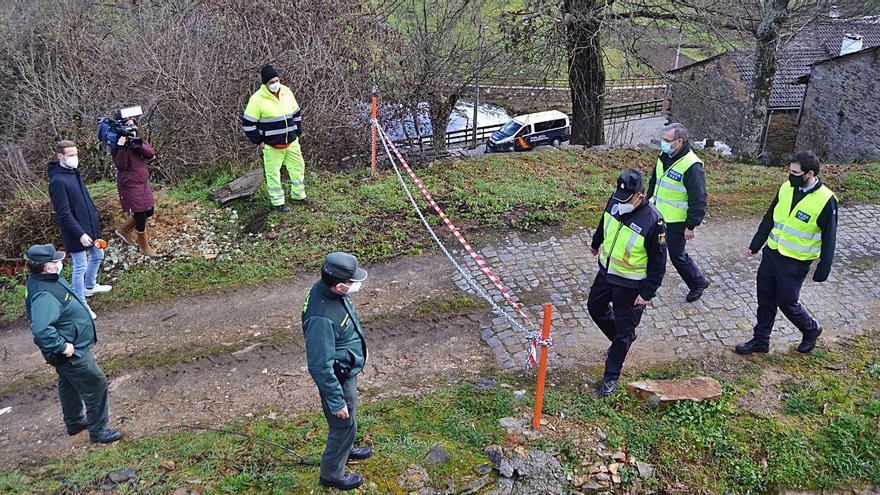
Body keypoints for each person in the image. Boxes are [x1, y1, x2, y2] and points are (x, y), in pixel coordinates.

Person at [736, 152, 837, 355]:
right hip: (772, 254)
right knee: (765, 299)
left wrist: (823, 267)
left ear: (809, 174)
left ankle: (810, 329)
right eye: (789, 171)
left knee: (786, 301)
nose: (790, 175)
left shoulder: (826, 200)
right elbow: (770, 217)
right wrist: (756, 243)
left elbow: (829, 238)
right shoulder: (786, 187)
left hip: (795, 262)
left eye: (795, 173)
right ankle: (761, 340)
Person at [24, 244, 123, 444]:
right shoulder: (44, 294)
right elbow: (41, 330)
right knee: (96, 384)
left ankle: (75, 422)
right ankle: (99, 431)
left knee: (68, 382)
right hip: (72, 351)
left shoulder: (45, 279)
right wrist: (62, 347)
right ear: (47, 267)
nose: (60, 262)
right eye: (56, 261)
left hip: (70, 349)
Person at [588, 170, 667, 396]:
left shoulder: (654, 221)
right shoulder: (615, 201)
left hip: (631, 285)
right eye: (619, 197)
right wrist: (596, 243)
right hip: (607, 273)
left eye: (626, 199)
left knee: (624, 331)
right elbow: (604, 223)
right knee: (594, 306)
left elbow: (659, 262)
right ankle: (621, 341)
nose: (620, 202)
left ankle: (610, 376)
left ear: (639, 197)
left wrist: (647, 293)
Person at [302, 252, 372, 490]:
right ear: (340, 286)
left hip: (345, 368)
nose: (357, 285)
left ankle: (347, 448)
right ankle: (332, 474)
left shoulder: (329, 290)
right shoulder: (321, 319)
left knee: (349, 419)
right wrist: (335, 401)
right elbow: (319, 366)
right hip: (337, 378)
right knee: (342, 424)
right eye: (353, 282)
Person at [646, 122, 710, 302]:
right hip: (657, 214)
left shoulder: (692, 166)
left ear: (679, 141)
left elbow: (698, 199)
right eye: (662, 139)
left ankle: (698, 283)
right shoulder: (664, 156)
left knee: (677, 256)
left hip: (676, 221)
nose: (663, 143)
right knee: (650, 248)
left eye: (667, 140)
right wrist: (647, 203)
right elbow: (655, 181)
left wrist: (691, 225)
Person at [48, 140, 110, 319]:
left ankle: (90, 286)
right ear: (60, 156)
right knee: (80, 265)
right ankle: (80, 303)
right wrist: (80, 234)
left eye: (76, 154)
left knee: (98, 255)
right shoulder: (57, 181)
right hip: (75, 232)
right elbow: (63, 213)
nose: (75, 158)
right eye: (71, 155)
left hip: (89, 226)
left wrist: (93, 225)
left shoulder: (74, 172)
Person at [241, 64, 309, 212]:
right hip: (271, 146)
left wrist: (298, 131)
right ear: (265, 83)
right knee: (273, 174)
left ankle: (299, 196)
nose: (275, 84)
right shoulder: (256, 99)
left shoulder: (287, 92)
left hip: (291, 142)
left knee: (298, 168)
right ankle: (278, 202)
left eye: (277, 80)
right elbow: (248, 124)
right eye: (271, 82)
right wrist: (259, 141)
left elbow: (296, 113)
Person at [111, 115, 159, 257]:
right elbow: (121, 165)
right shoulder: (116, 142)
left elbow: (151, 153)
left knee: (149, 210)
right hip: (129, 183)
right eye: (129, 124)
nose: (132, 127)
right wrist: (122, 147)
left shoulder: (137, 136)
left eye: (133, 124)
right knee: (140, 213)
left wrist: (137, 144)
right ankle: (144, 246)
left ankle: (123, 230)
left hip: (142, 180)